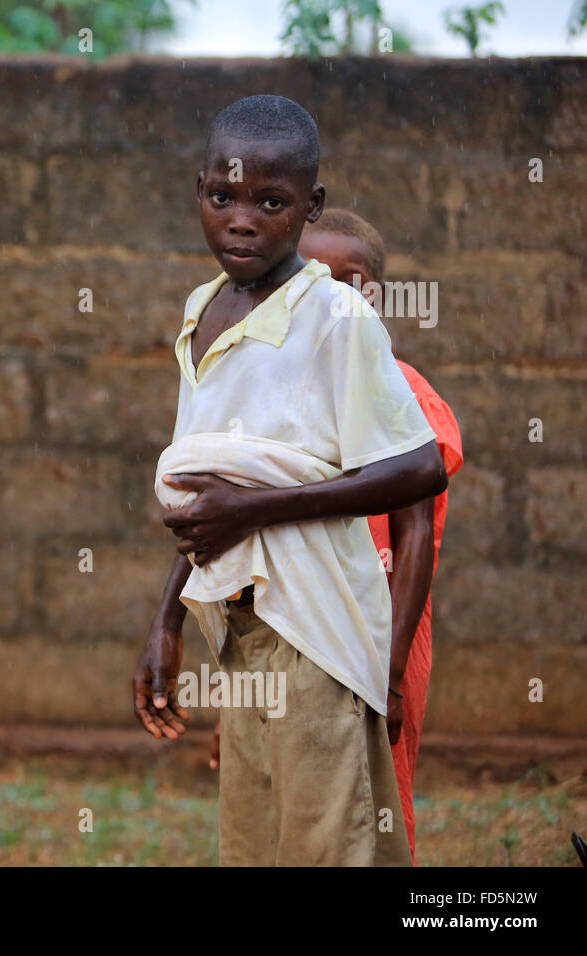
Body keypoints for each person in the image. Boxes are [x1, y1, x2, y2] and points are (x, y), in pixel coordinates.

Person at [132, 94, 448, 865]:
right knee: (255, 843)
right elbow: (213, 488)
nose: (242, 220)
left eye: (270, 202)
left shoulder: (335, 316)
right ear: (198, 190)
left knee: (325, 845)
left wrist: (256, 511)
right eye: (222, 197)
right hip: (239, 631)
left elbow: (418, 466)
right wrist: (166, 622)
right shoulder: (204, 308)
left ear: (311, 206)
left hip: (316, 630)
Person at [298, 209, 464, 863]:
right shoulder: (288, 399)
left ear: (377, 296)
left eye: (351, 281)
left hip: (380, 643)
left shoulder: (404, 396)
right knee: (302, 807)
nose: (332, 296)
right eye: (312, 279)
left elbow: (416, 533)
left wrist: (390, 678)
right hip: (301, 636)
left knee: (377, 813)